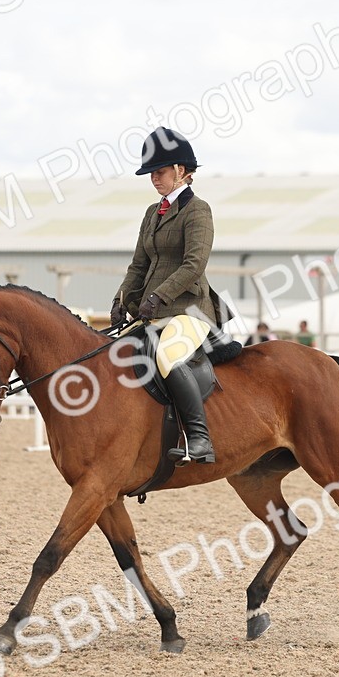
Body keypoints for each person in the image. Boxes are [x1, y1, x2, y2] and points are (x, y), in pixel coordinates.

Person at [112, 127, 221, 465]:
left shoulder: (197, 210)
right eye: (151, 174)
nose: (153, 179)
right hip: (152, 313)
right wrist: (121, 300)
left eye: (158, 172)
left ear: (180, 170)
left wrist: (158, 296)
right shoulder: (152, 212)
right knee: (111, 355)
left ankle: (200, 439)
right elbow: (138, 265)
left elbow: (193, 265)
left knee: (168, 356)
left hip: (190, 311)